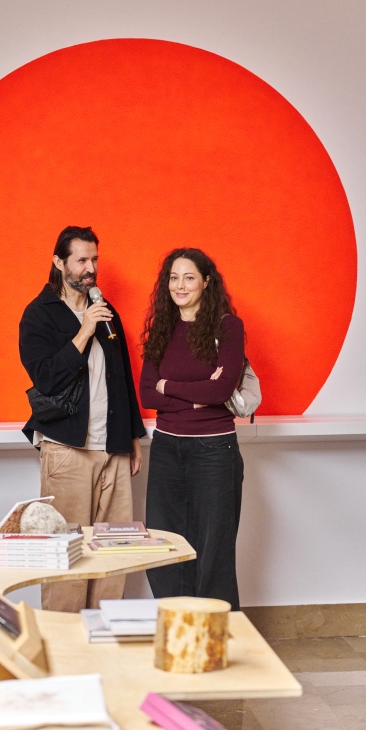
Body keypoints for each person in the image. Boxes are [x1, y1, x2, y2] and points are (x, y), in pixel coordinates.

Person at [20, 225, 146, 612]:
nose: (91, 268)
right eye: (82, 260)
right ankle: (62, 650)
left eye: (94, 259)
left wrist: (133, 438)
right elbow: (46, 377)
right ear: (59, 262)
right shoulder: (39, 315)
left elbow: (123, 377)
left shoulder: (108, 313)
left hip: (113, 450)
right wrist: (84, 329)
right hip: (67, 450)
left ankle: (103, 644)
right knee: (65, 555)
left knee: (112, 556)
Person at [140, 247, 245, 609]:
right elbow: (146, 393)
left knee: (213, 551)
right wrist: (192, 393)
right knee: (166, 546)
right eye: (173, 277)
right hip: (168, 449)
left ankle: (216, 638)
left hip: (214, 452)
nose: (179, 285)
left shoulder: (228, 327)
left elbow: (221, 389)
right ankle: (176, 630)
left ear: (206, 282)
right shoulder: (162, 329)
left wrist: (169, 386)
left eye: (188, 277)